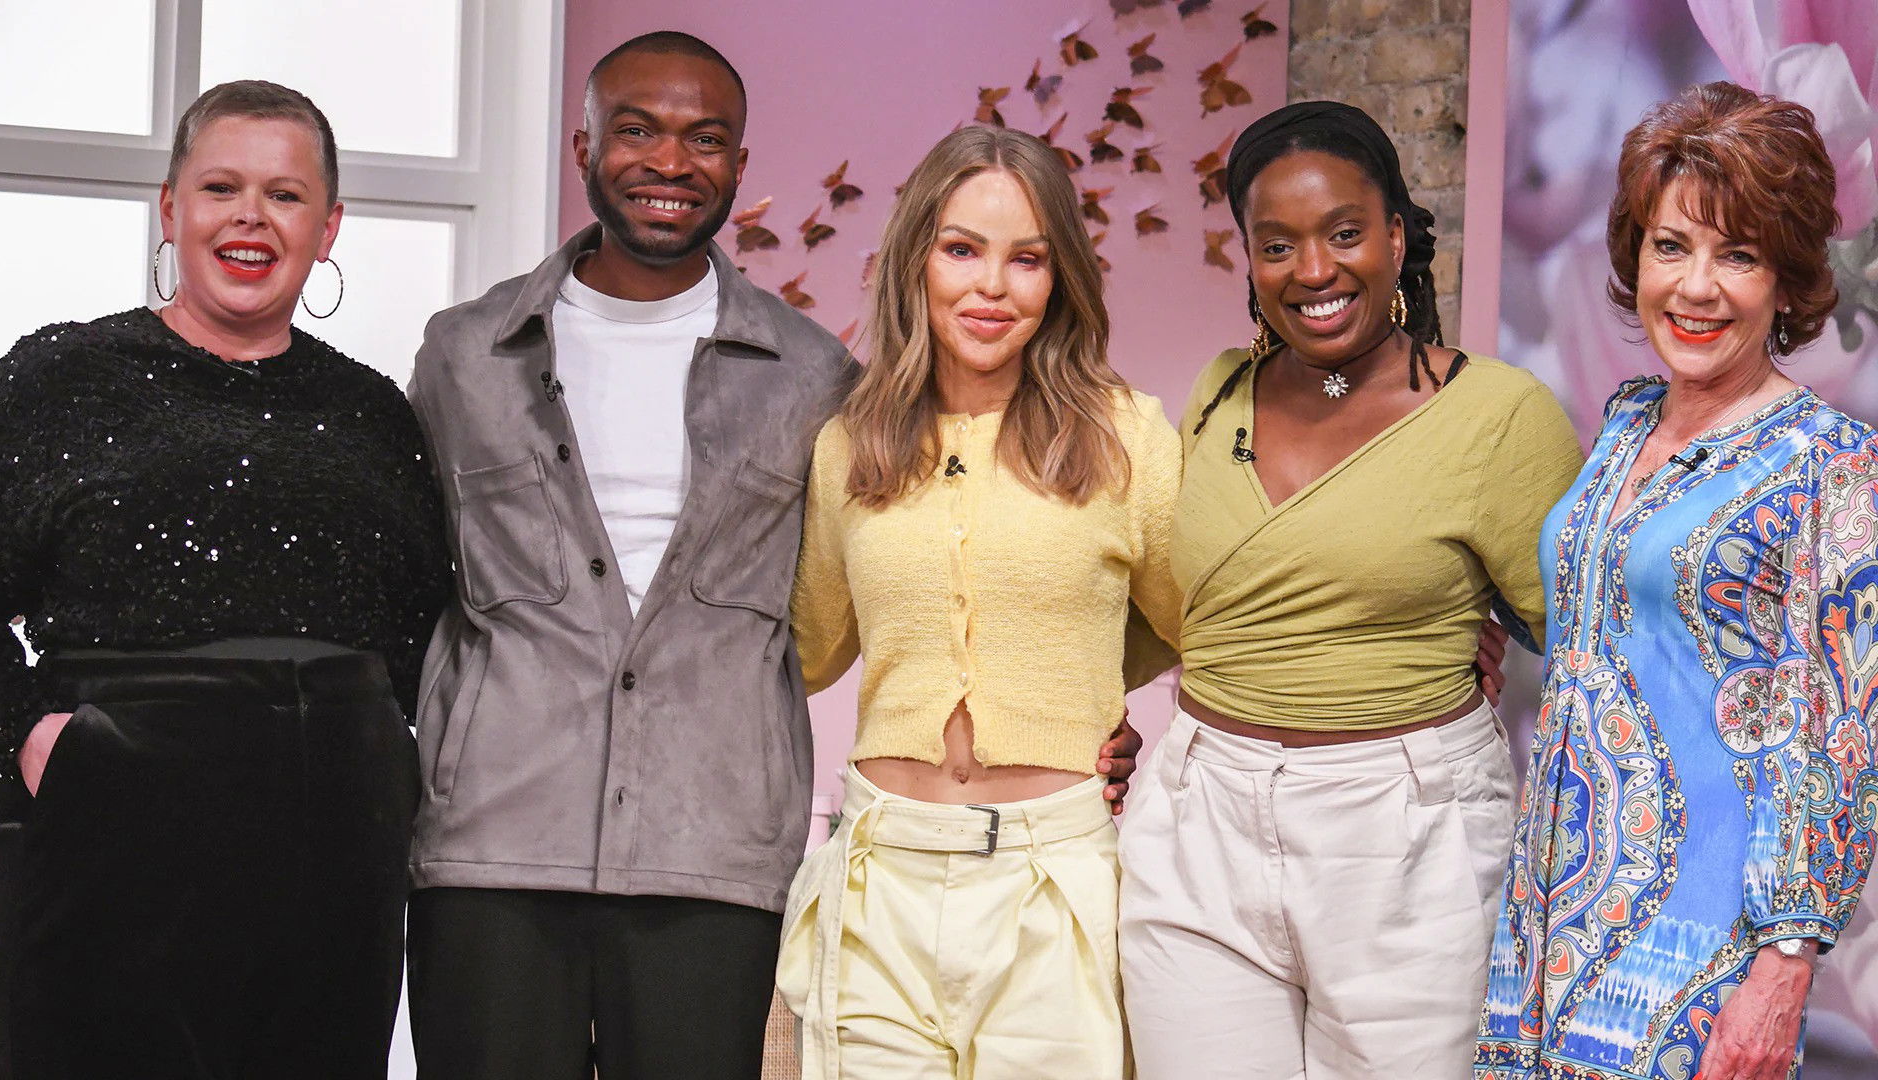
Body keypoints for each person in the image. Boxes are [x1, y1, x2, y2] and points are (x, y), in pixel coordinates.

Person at [401, 32, 1151, 1079]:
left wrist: (1073, 703)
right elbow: (410, 583)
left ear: (740, 166)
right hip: (494, 834)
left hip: (714, 855)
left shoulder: (814, 382)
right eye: (637, 130)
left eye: (704, 139)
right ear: (582, 146)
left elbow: (862, 615)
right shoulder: (461, 354)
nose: (670, 162)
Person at [0, 80, 451, 1078]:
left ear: (330, 224)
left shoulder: (373, 416)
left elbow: (423, 643)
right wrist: (25, 736)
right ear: (171, 207)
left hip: (334, 853)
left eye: (285, 194)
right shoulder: (58, 379)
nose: (250, 218)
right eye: (221, 186)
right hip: (108, 824)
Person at [1116, 101, 1585, 1080]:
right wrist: (1060, 717)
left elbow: (1588, 650)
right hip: (1201, 819)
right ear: (1248, 259)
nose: (1315, 271)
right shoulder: (1218, 394)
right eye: (1276, 244)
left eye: (1344, 233)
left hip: (1407, 843)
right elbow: (1177, 602)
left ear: (1398, 235)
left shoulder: (1496, 415)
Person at [1476, 81, 1878, 1080]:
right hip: (1552, 910)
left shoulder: (1832, 463)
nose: (1695, 288)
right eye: (1671, 246)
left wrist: (1784, 967)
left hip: (1701, 944)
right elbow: (1621, 623)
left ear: (1786, 281)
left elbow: (1846, 734)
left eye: (1737, 255)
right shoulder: (1623, 425)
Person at [775, 124, 1180, 1080]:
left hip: (1054, 881)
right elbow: (810, 649)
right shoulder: (852, 444)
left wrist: (1088, 691)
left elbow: (1199, 616)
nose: (990, 287)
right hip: (880, 876)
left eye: (1026, 259)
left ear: (1060, 278)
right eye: (961, 250)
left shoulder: (1127, 437)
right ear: (916, 260)